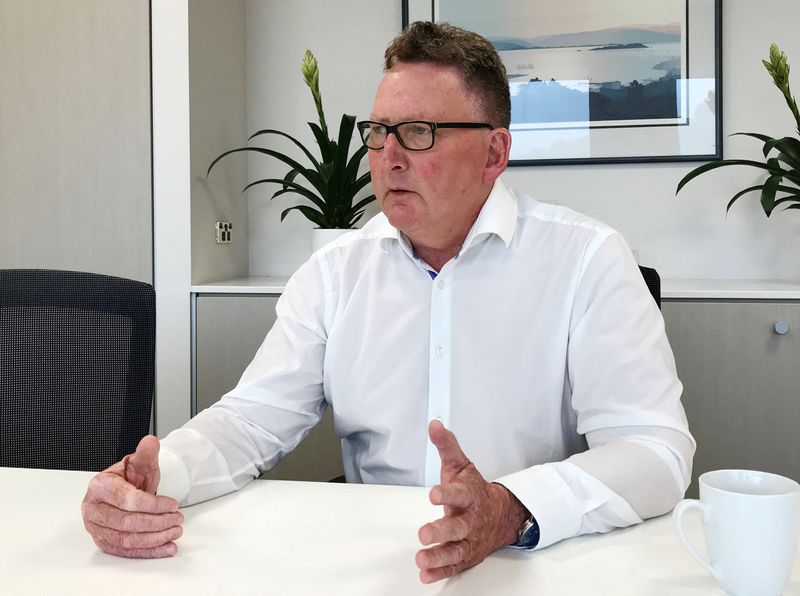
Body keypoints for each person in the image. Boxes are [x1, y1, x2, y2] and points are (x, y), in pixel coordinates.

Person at [81, 22, 695, 584]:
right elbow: (251, 420)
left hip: (534, 559)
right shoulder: (334, 272)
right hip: (378, 565)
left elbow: (657, 452)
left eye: (419, 133)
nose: (388, 157)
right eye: (379, 132)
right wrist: (163, 477)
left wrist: (509, 510)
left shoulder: (587, 261)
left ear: (494, 153)